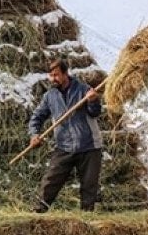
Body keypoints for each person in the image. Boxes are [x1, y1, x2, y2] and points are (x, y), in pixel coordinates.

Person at [27, 58, 104, 212]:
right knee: (51, 180)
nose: (52, 79)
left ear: (65, 74)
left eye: (56, 75)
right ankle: (38, 211)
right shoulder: (50, 96)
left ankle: (87, 215)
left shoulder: (83, 90)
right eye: (50, 76)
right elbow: (37, 117)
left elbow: (95, 113)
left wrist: (93, 101)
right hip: (64, 145)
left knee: (89, 185)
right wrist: (34, 134)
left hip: (88, 145)